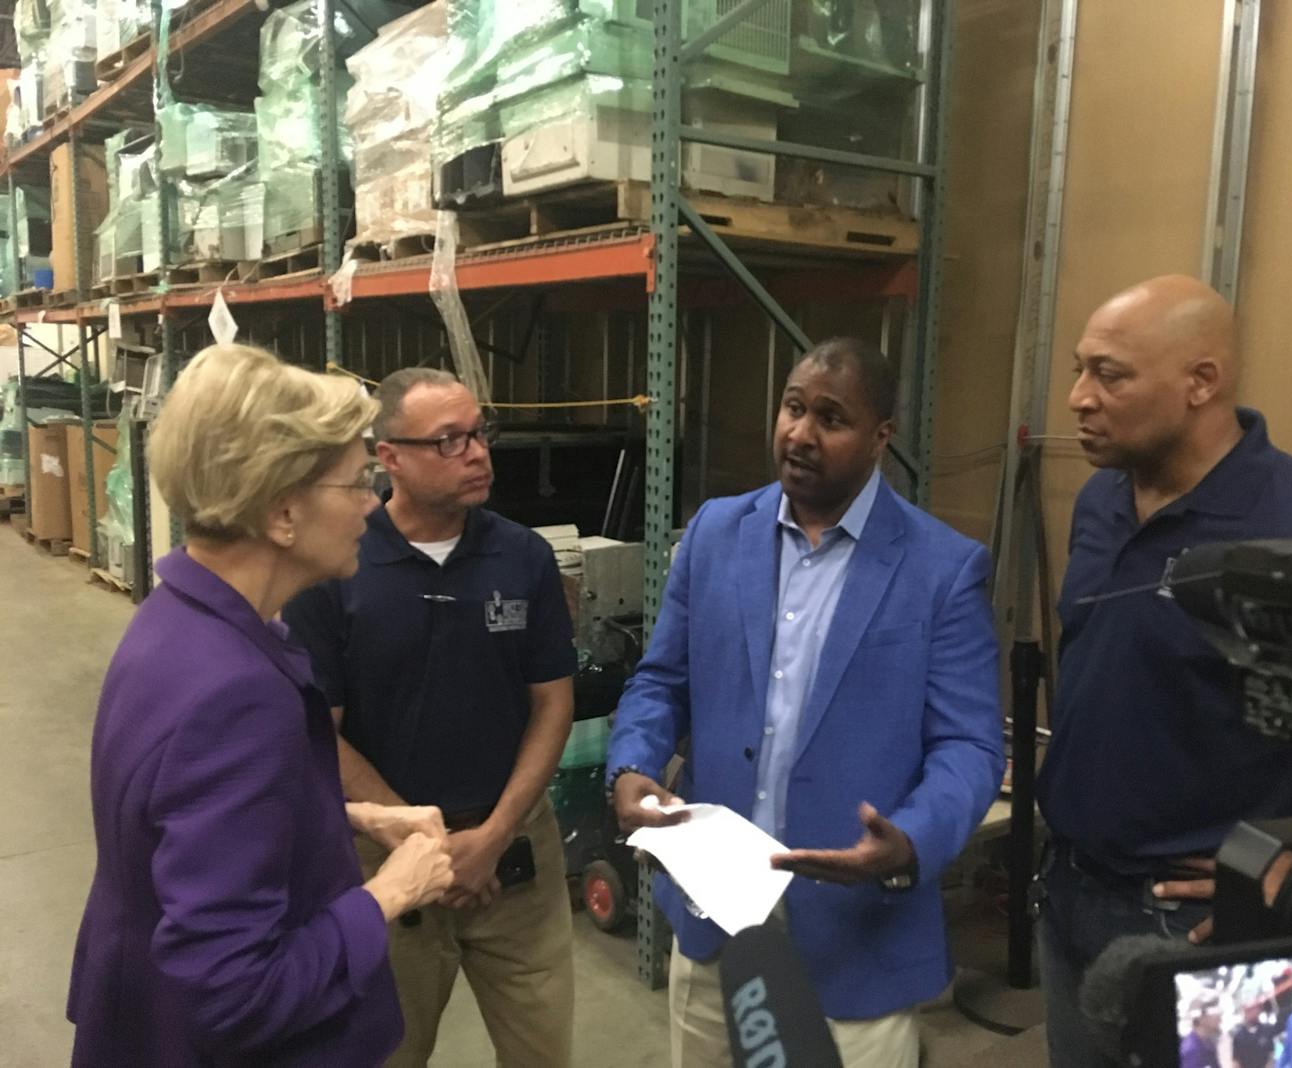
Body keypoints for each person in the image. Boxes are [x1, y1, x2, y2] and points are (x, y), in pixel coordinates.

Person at [1034, 275, 1292, 1068]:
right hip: (1066, 895)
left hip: (1195, 922)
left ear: (1201, 383)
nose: (1077, 398)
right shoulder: (1102, 502)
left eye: (1110, 374)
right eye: (1078, 369)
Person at [607, 337, 1004, 1068]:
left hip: (856, 930)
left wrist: (909, 839)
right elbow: (662, 680)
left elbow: (971, 746)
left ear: (881, 436)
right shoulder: (716, 536)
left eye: (831, 417)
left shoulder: (941, 570)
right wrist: (631, 762)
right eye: (793, 408)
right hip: (715, 914)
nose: (800, 433)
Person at [67, 344, 455, 1067]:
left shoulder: (178, 615)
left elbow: (178, 821)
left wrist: (344, 814)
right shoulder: (236, 693)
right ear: (282, 512)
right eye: (356, 482)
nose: (372, 505)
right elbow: (233, 992)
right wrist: (389, 895)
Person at [283, 367, 577, 1068]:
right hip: (386, 863)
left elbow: (552, 701)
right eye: (448, 441)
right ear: (389, 459)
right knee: (387, 1051)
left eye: (479, 434)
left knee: (544, 1051)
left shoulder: (524, 557)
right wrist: (428, 846)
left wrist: (496, 832)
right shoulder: (336, 569)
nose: (476, 453)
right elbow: (322, 728)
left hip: (513, 856)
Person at [1231, 999, 1275, 1068]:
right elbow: (1236, 1061)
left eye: (1255, 1009)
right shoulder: (1238, 1036)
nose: (1253, 1013)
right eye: (1249, 1010)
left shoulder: (1267, 1031)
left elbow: (1271, 1056)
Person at [1181, 997, 1223, 1068]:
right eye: (1214, 1014)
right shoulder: (1192, 1051)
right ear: (1200, 1018)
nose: (1220, 1019)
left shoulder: (1208, 1044)